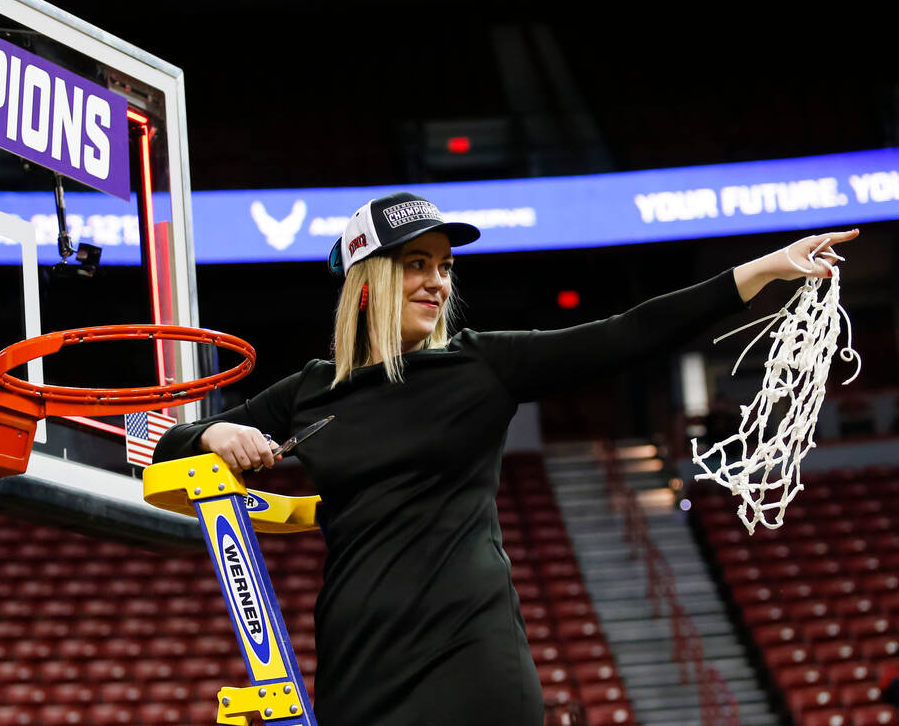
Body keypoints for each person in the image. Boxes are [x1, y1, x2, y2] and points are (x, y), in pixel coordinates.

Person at [152, 191, 858, 726]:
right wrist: (214, 434)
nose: (437, 281)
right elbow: (162, 450)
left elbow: (627, 333)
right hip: (358, 658)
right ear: (366, 280)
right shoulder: (309, 389)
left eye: (444, 267)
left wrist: (761, 270)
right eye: (416, 265)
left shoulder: (482, 365)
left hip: (472, 653)